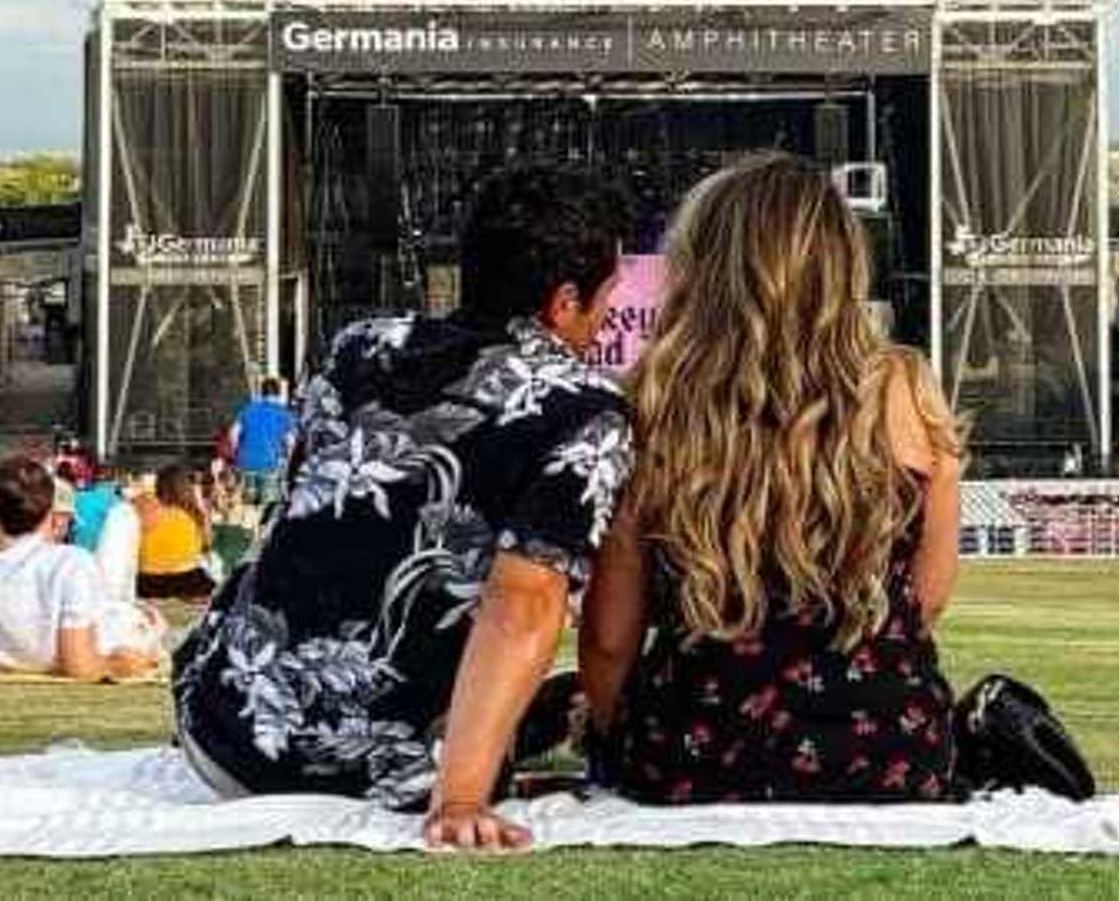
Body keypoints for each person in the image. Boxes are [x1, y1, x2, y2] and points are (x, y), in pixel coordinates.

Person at [171, 163, 635, 847]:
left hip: (224, 729)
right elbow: (524, 603)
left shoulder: (359, 347)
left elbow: (312, 519)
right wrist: (462, 800)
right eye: (606, 300)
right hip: (377, 770)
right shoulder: (586, 413)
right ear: (565, 302)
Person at [581, 154, 964, 806]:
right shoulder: (907, 389)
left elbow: (611, 639)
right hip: (893, 751)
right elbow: (924, 602)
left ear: (702, 266)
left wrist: (609, 731)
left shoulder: (649, 401)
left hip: (691, 751)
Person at [0, 458, 157, 681]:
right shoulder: (70, 563)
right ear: (50, 513)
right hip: (115, 630)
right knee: (124, 515)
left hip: (88, 616)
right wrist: (115, 665)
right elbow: (80, 666)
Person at [136, 464, 213, 599]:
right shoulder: (194, 515)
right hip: (188, 581)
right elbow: (206, 546)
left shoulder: (148, 508)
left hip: (149, 581)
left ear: (158, 486)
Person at [232, 378, 296, 508]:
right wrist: (287, 460)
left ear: (262, 393)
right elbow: (290, 442)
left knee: (248, 505)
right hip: (269, 464)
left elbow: (233, 433)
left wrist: (237, 452)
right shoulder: (283, 413)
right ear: (278, 393)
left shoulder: (248, 409)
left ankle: (249, 521)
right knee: (266, 506)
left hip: (245, 463)